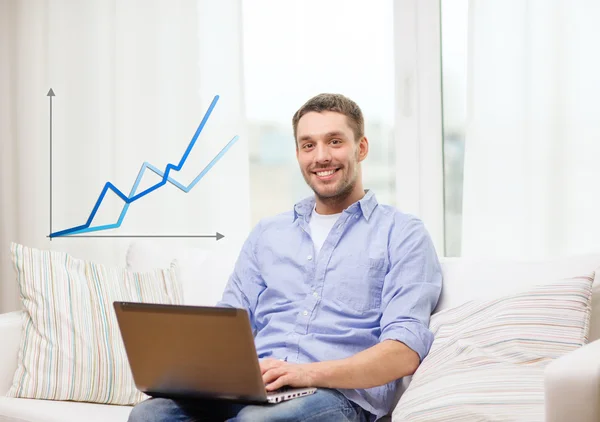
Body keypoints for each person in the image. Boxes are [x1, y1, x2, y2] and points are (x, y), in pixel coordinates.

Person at [128, 93, 442, 421]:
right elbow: (228, 323)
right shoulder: (268, 234)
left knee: (255, 421)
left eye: (334, 142)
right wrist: (187, 373)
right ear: (297, 154)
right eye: (308, 145)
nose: (321, 156)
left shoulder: (402, 233)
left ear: (361, 148)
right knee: (150, 415)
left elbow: (403, 352)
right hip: (252, 390)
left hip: (336, 398)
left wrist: (306, 374)